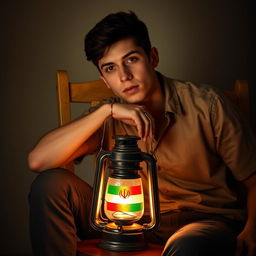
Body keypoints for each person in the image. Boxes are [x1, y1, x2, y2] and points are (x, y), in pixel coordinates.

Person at [28, 11, 256, 256]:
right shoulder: (108, 115)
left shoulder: (209, 105)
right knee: (49, 184)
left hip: (200, 223)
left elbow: (253, 178)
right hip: (124, 223)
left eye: (132, 59)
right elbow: (38, 161)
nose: (124, 76)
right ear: (104, 79)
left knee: (188, 246)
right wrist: (106, 110)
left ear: (153, 57)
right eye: (110, 68)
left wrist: (252, 230)